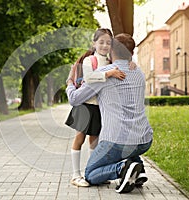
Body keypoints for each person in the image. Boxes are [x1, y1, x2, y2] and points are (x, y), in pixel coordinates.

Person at [66, 33, 153, 193]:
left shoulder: (104, 74)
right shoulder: (139, 73)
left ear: (111, 49)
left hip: (116, 141)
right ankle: (137, 169)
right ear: (131, 53)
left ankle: (123, 169)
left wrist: (70, 82)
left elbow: (74, 99)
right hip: (144, 140)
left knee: (90, 174)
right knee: (130, 146)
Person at [65, 28, 127, 187]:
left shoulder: (110, 63)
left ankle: (92, 173)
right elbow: (89, 78)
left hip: (99, 108)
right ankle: (75, 175)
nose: (105, 45)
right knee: (79, 138)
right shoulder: (90, 60)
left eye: (108, 42)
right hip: (85, 106)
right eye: (101, 42)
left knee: (95, 142)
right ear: (94, 43)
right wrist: (109, 74)